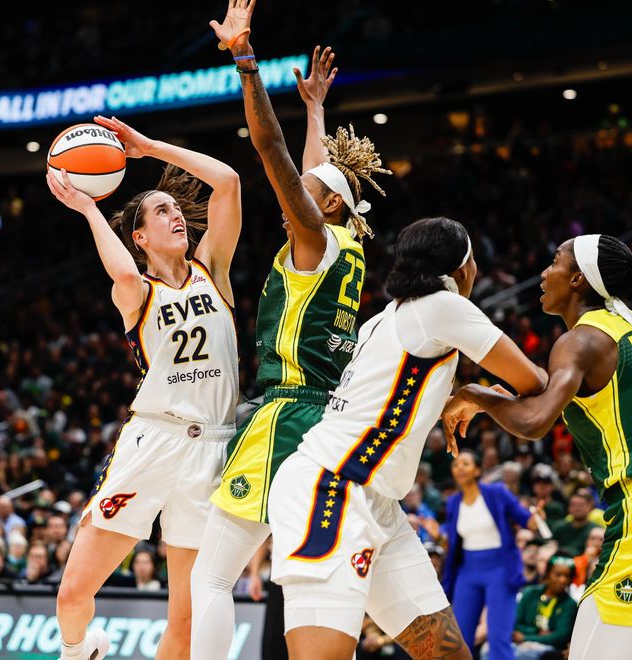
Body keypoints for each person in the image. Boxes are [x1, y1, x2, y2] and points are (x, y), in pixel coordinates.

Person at [191, 3, 391, 657]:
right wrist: (315, 109)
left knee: (213, 576)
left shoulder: (314, 238)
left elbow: (272, 152)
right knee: (299, 577)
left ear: (325, 204)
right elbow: (313, 171)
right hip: (327, 422)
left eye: (306, 193)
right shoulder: (345, 244)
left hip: (286, 413)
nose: (293, 198)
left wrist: (247, 64)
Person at [267, 217, 547, 660]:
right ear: (461, 268)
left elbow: (391, 406)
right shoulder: (443, 306)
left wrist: (459, 398)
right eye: (473, 260)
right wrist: (478, 394)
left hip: (377, 504)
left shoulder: (383, 321)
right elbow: (533, 381)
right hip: (329, 491)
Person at [46, 113, 242, 660]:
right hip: (153, 442)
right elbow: (126, 275)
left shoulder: (212, 271)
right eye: (162, 211)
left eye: (178, 209)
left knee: (185, 614)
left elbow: (227, 182)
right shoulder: (137, 292)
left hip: (213, 449)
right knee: (71, 596)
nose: (177, 214)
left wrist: (152, 147)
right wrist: (87, 207)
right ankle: (80, 649)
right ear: (139, 235)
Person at [443, 234, 632, 659]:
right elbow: (556, 390)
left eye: (553, 262)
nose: (543, 272)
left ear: (577, 280)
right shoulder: (630, 328)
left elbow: (535, 423)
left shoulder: (580, 341)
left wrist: (478, 395)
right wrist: (500, 396)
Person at [434, 450, 546, 660]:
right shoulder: (453, 503)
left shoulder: (497, 493)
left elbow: (526, 521)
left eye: (466, 464)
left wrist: (536, 518)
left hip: (499, 569)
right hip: (468, 570)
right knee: (460, 639)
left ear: (477, 470)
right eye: (456, 464)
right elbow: (452, 541)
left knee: (497, 637)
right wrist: (438, 537)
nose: (459, 468)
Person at [488, 556, 576, 660]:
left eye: (567, 576)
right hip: (522, 640)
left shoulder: (570, 604)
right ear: (548, 574)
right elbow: (515, 622)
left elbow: (560, 637)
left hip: (548, 647)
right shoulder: (530, 593)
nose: (563, 580)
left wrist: (525, 637)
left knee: (524, 654)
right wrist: (536, 631)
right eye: (558, 575)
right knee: (488, 650)